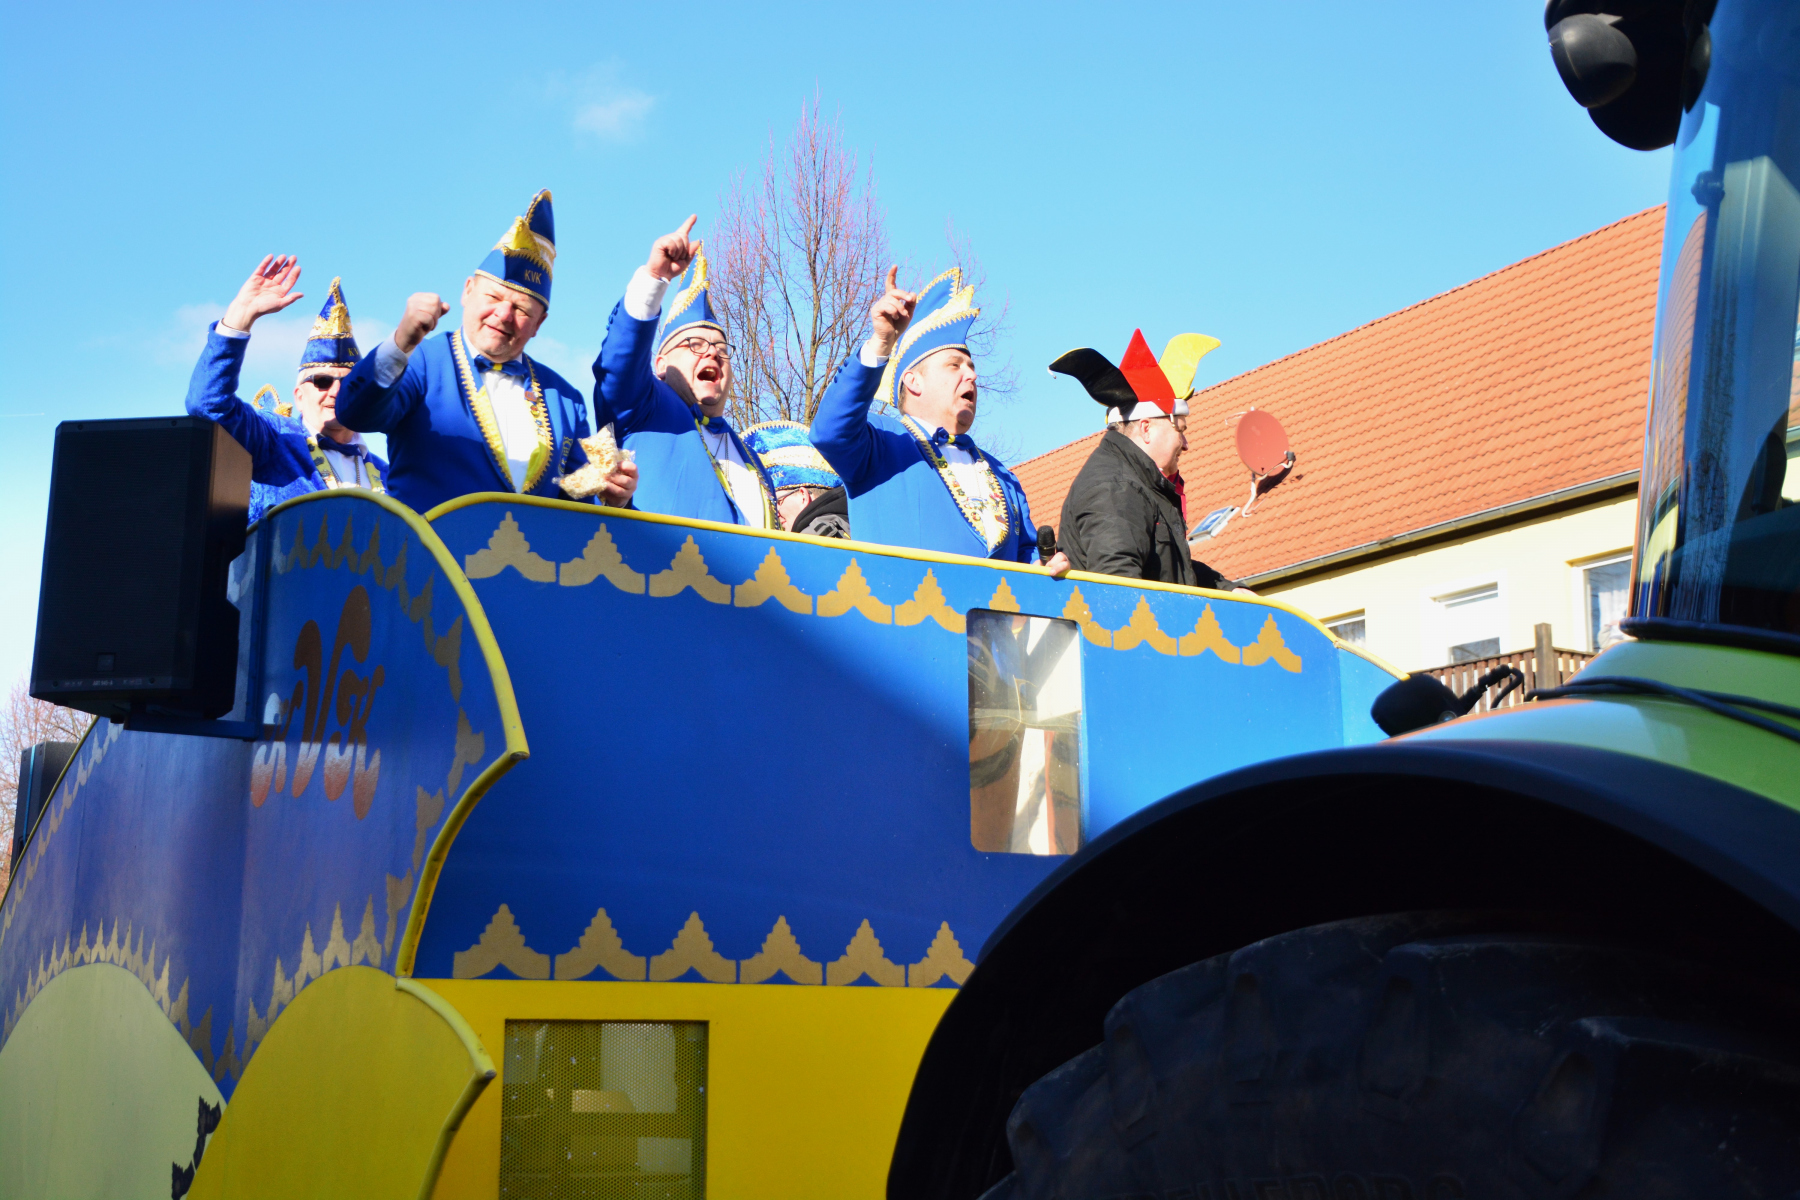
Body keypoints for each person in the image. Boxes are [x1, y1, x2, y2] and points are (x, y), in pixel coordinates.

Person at [335, 190, 636, 514]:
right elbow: (354, 414)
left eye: (522, 308)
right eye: (493, 297)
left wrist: (613, 494)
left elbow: (574, 504)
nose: (504, 315)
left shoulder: (566, 399)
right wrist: (401, 343)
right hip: (429, 546)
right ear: (467, 291)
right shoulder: (421, 361)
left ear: (539, 323)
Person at [809, 267, 1068, 572]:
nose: (971, 375)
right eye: (954, 365)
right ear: (913, 381)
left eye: (971, 367)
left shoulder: (1003, 475)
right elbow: (829, 432)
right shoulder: (879, 442)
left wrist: (1046, 567)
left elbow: (1025, 556)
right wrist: (881, 343)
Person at [592, 217, 780, 527]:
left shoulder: (752, 459)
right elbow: (618, 366)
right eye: (695, 344)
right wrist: (655, 279)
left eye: (721, 348)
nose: (712, 353)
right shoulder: (645, 407)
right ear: (660, 365)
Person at [185, 256, 389, 524]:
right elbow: (207, 404)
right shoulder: (274, 439)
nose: (336, 391)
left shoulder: (388, 475)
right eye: (322, 381)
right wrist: (238, 319)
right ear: (299, 397)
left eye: (349, 382)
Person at [1049, 330, 1236, 589]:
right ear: (1146, 429)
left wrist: (1230, 590)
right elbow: (1120, 590)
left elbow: (1171, 569)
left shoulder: (1135, 481)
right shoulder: (1115, 488)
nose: (1186, 444)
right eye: (1180, 429)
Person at [742, 420, 850, 538]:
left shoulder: (812, 537)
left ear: (803, 496)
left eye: (778, 501)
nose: (776, 512)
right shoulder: (851, 522)